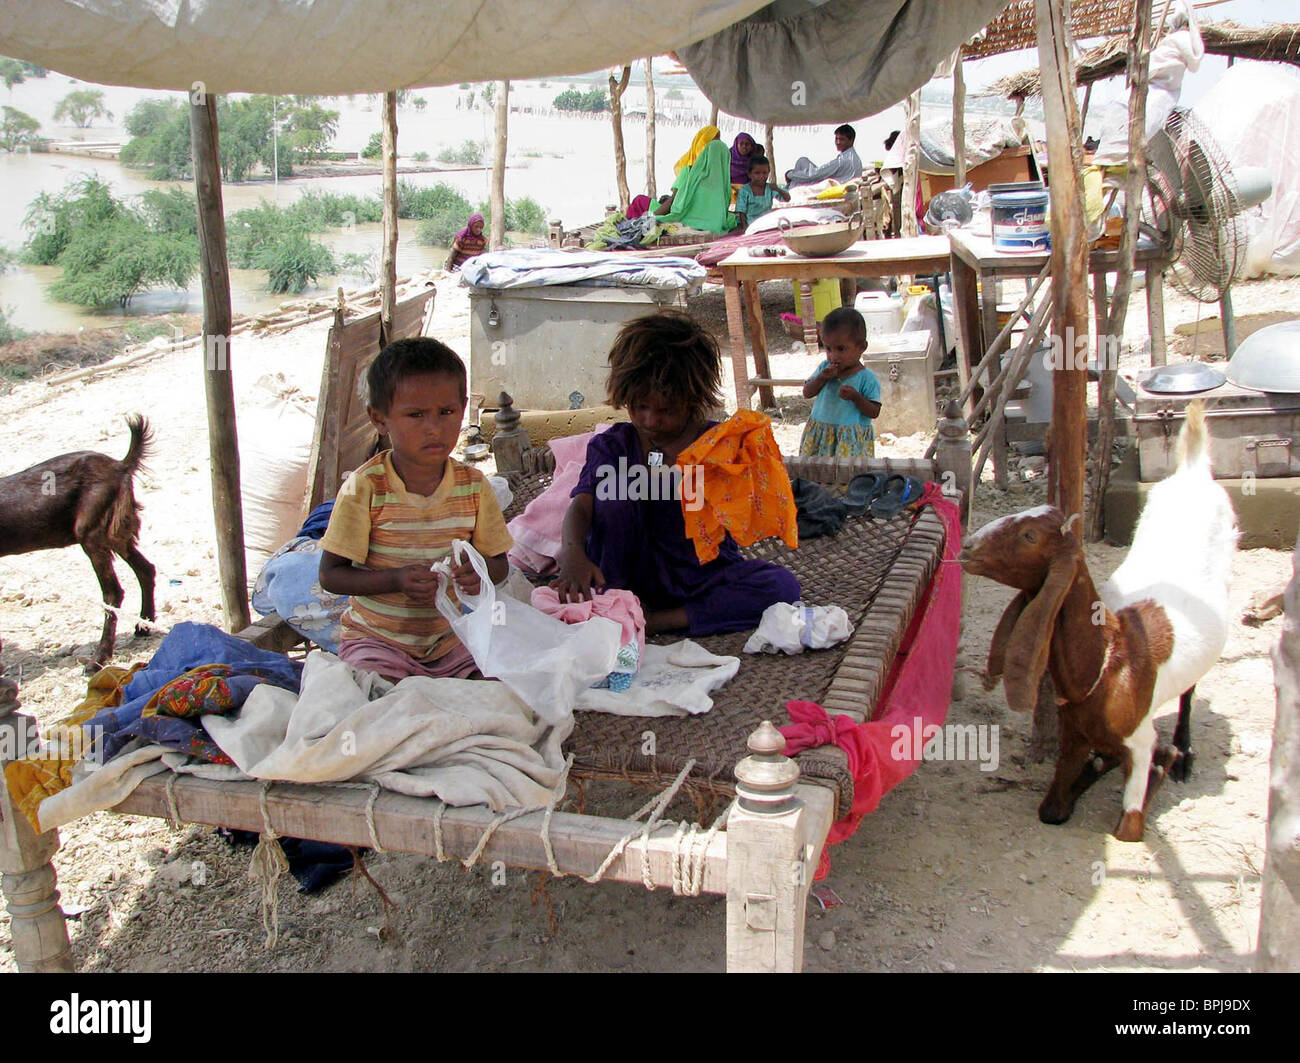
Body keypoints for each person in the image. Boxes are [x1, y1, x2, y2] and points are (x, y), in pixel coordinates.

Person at [554, 312, 800, 636]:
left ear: (693, 399)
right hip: (618, 579)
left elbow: (749, 511)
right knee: (614, 494)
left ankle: (659, 620)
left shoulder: (718, 447)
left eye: (665, 411)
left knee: (781, 586)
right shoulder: (612, 446)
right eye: (639, 407)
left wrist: (750, 464)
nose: (650, 420)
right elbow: (582, 505)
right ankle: (622, 607)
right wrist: (572, 552)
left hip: (697, 578)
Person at [319, 338, 513, 681]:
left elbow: (498, 566)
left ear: (463, 407)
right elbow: (331, 574)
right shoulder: (364, 487)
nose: (434, 427)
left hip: (451, 639)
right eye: (415, 415)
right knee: (374, 693)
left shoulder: (473, 487)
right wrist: (395, 580)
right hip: (379, 641)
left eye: (447, 412)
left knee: (495, 685)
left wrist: (478, 572)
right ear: (380, 420)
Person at [800, 307, 882, 459]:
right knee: (817, 473)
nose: (833, 356)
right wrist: (822, 378)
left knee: (845, 476)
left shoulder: (867, 378)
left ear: (861, 348)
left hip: (849, 441)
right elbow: (807, 392)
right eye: (828, 349)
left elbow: (874, 412)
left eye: (841, 349)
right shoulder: (824, 368)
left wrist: (856, 398)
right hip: (821, 433)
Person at [653, 136, 737, 235]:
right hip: (714, 225)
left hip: (688, 221)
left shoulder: (694, 177)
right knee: (732, 219)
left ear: (705, 156)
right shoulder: (724, 185)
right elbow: (723, 210)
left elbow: (678, 203)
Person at [785, 123, 864, 188]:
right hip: (837, 185)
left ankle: (787, 192)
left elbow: (814, 175)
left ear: (851, 140)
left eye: (842, 139)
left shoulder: (844, 159)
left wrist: (789, 174)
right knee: (802, 161)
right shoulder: (853, 157)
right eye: (836, 139)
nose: (838, 142)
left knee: (797, 178)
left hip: (833, 188)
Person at [734, 155, 789, 229]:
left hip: (766, 223)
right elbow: (741, 212)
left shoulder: (770, 188)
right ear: (749, 174)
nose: (761, 176)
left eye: (765, 173)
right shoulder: (745, 190)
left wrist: (777, 189)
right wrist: (745, 228)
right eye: (757, 173)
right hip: (750, 224)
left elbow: (787, 198)